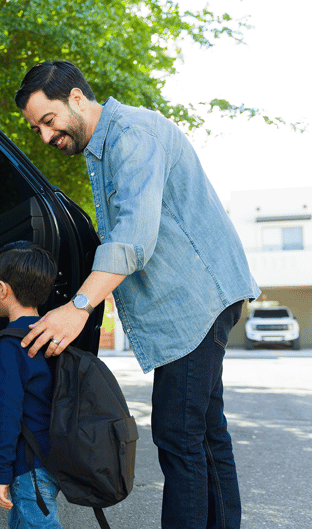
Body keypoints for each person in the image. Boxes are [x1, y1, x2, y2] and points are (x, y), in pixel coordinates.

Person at [14, 61, 260, 529]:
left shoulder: (131, 136)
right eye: (37, 129)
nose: (45, 136)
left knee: (180, 435)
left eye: (48, 121)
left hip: (195, 299)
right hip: (198, 296)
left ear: (77, 99)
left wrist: (79, 307)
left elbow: (132, 239)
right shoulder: (104, 147)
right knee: (206, 434)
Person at [0, 241, 62, 529]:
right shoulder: (53, 334)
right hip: (52, 455)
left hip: (28, 464)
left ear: (3, 290)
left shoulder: (10, 344)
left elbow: (7, 412)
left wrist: (1, 471)